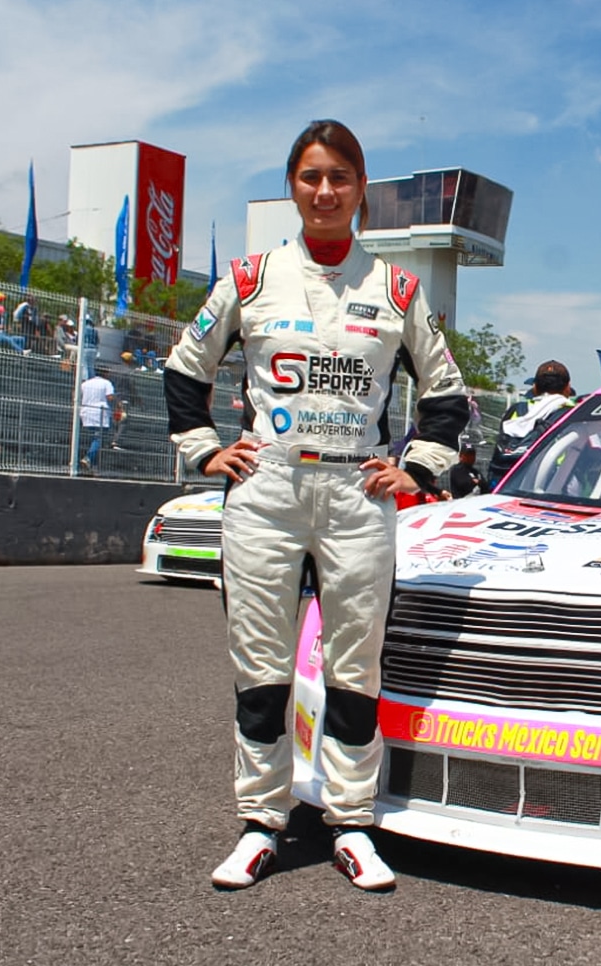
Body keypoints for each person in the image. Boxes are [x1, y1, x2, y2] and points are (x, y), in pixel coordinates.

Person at [163, 119, 468, 892]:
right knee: (260, 668)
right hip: (264, 496)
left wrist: (417, 471)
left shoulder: (397, 289)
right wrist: (204, 450)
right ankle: (261, 822)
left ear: (361, 189)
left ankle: (353, 822)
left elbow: (446, 395)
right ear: (292, 187)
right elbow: (184, 368)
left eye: (340, 177)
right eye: (310, 177)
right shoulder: (249, 278)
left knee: (354, 667)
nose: (325, 191)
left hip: (357, 499)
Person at [486, 360, 577, 488]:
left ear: (535, 387)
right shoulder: (574, 413)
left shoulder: (516, 410)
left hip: (511, 481)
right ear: (568, 387)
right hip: (555, 483)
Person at [78, 367, 116, 473]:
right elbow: (110, 397)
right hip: (100, 414)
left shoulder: (85, 383)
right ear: (106, 373)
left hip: (85, 412)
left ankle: (92, 466)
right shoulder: (106, 383)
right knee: (99, 438)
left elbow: (75, 395)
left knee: (91, 438)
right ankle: (88, 458)